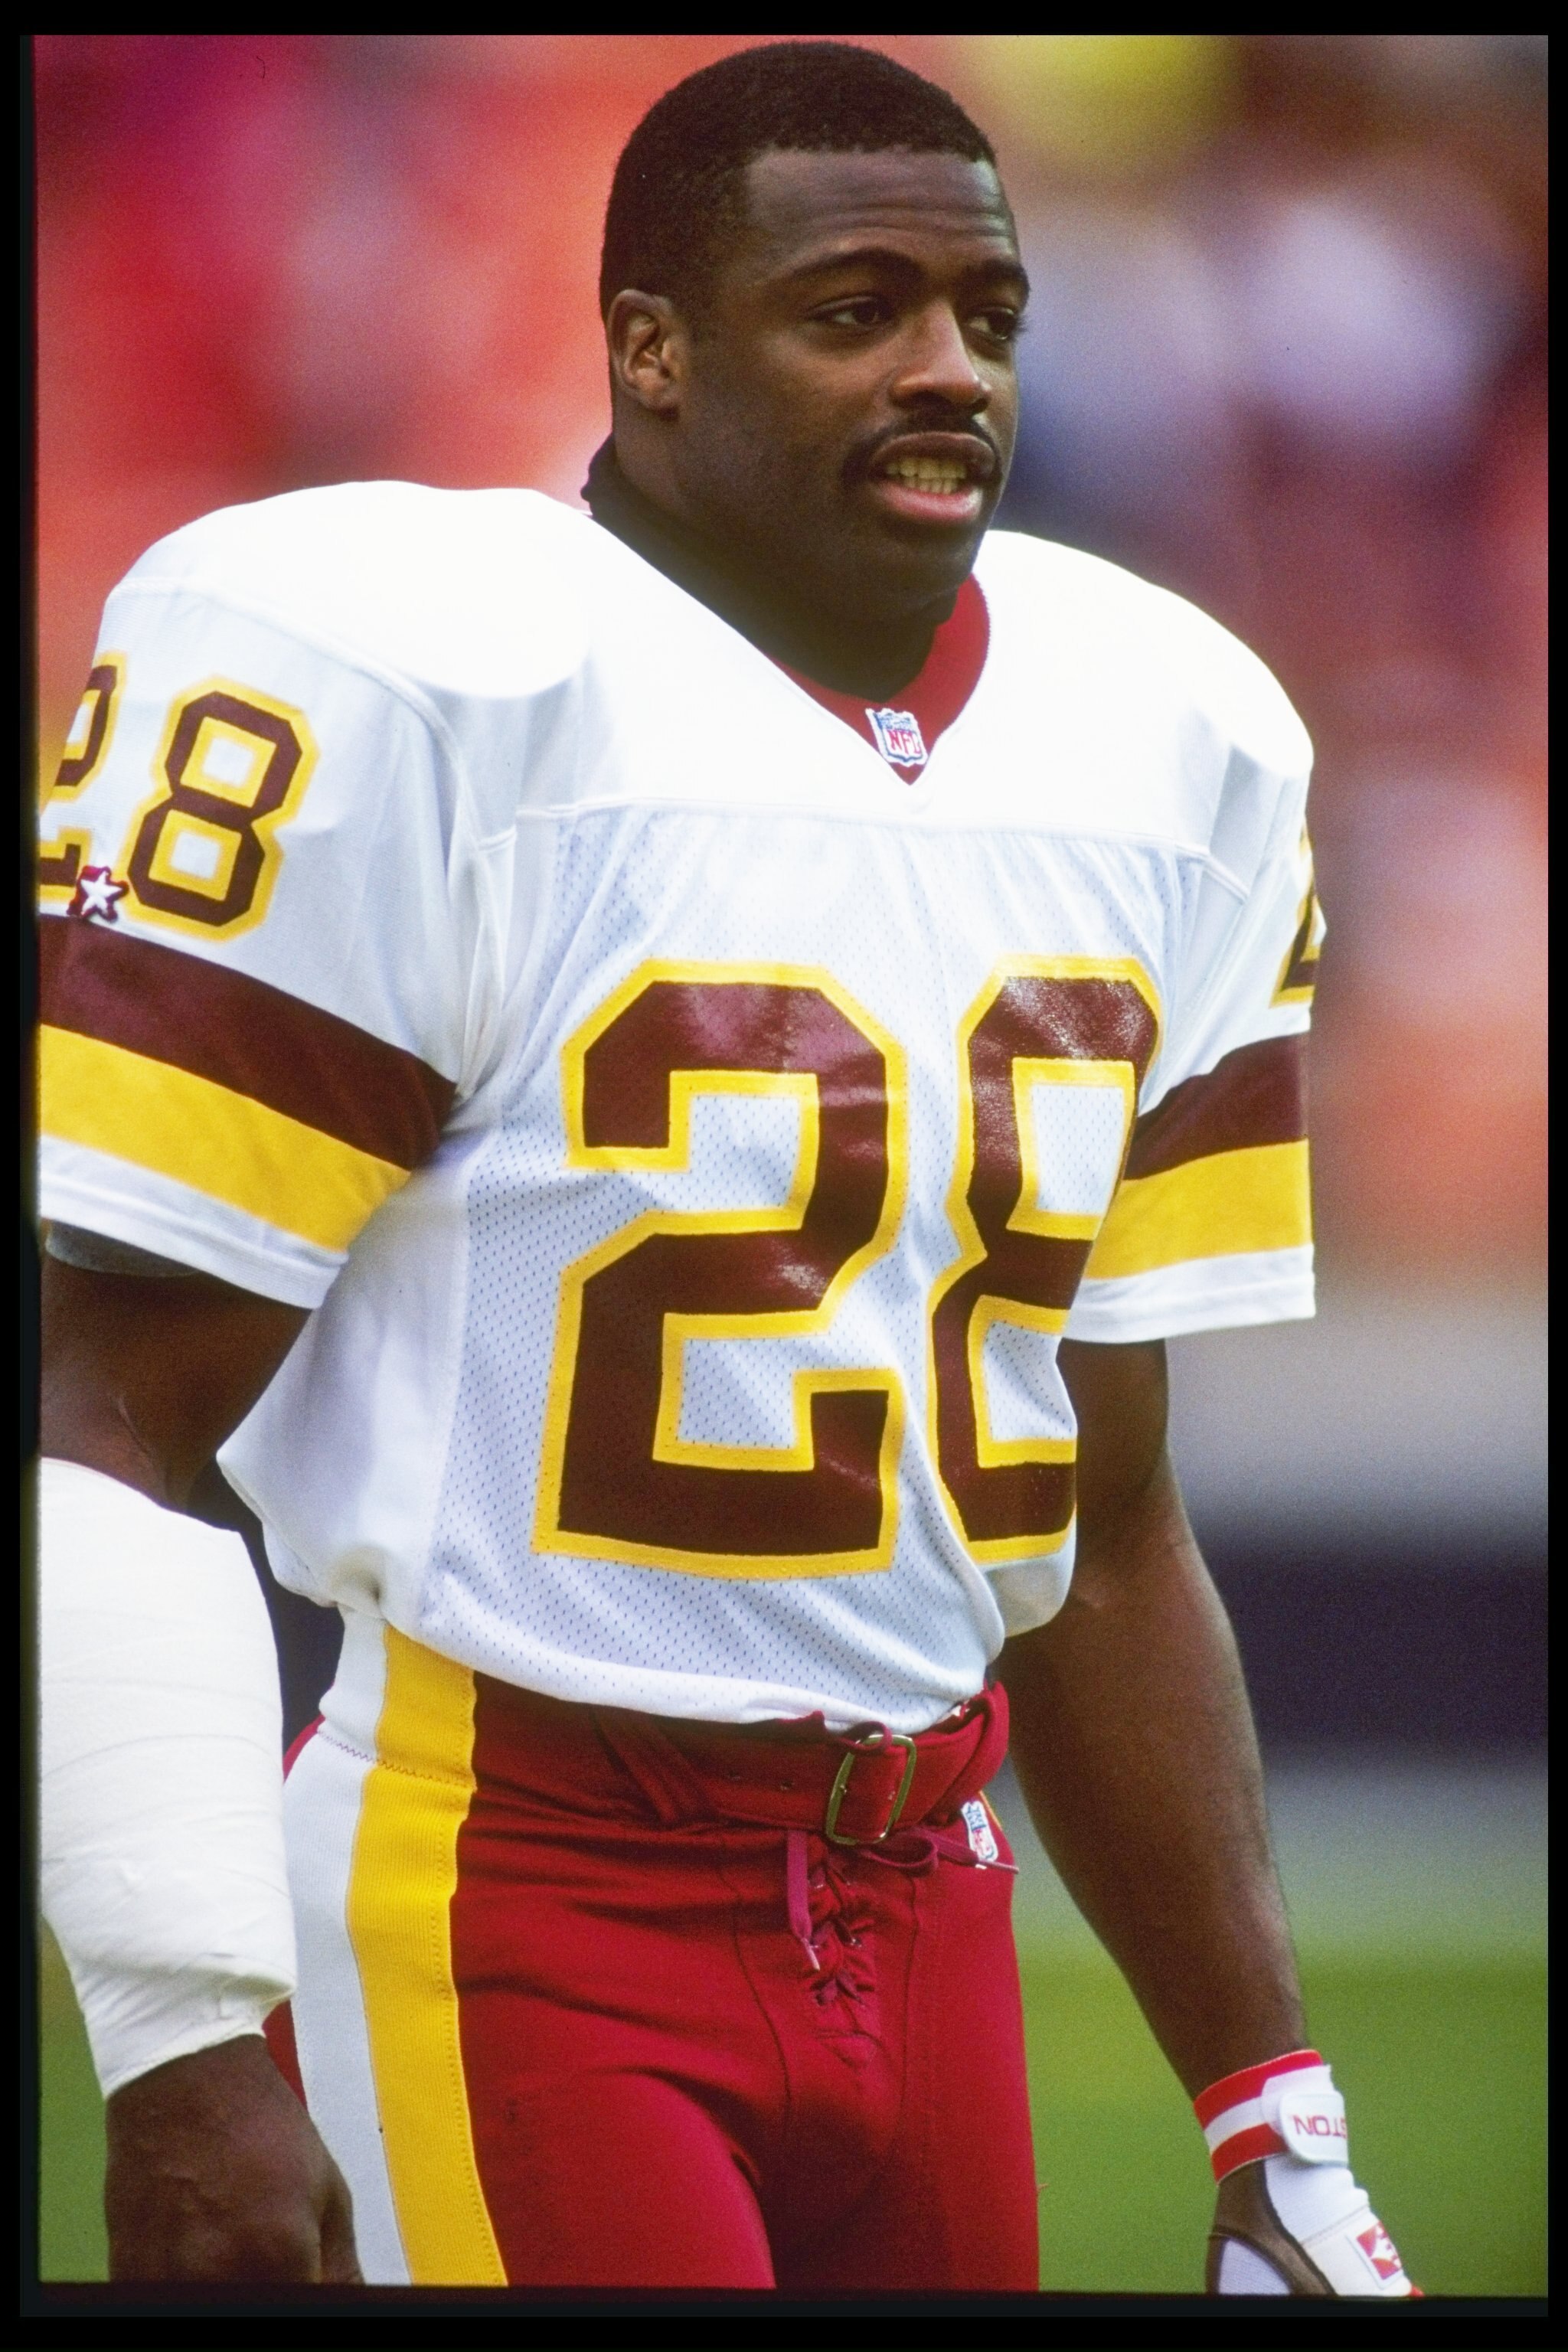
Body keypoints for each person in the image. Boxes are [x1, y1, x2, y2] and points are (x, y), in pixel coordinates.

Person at [37, 41, 1413, 2297]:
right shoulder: (431, 679)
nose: (947, 367)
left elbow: (1104, 1510)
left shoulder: (1171, 735)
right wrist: (185, 2051)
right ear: (650, 352)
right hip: (516, 1870)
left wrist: (1276, 2114)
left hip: (931, 1889)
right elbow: (105, 1415)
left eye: (986, 311)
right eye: (855, 305)